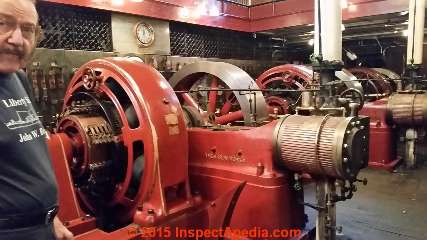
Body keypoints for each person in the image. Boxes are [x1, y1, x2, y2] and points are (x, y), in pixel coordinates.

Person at [0, 0, 73, 239]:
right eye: (3, 24)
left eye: (28, 29)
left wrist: (52, 218)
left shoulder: (18, 79)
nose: (17, 39)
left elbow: (32, 153)